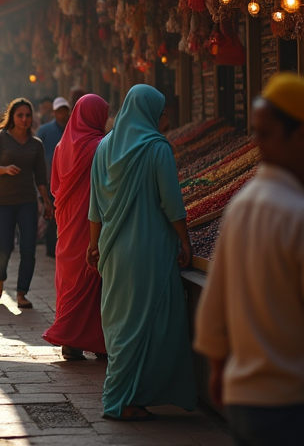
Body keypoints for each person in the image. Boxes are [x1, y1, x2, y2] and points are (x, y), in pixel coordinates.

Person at [194, 74, 304, 445]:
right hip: (289, 398)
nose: (257, 144)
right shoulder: (295, 212)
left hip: (243, 394)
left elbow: (213, 306)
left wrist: (217, 368)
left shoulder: (242, 205)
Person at [88, 84, 195, 421]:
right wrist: (186, 241)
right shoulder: (157, 148)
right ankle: (123, 399)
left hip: (113, 250)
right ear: (149, 113)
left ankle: (121, 394)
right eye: (162, 113)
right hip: (149, 250)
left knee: (121, 324)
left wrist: (94, 244)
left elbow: (94, 207)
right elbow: (172, 203)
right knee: (147, 324)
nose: (165, 119)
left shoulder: (104, 147)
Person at [42, 94, 109, 361]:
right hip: (92, 223)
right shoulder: (100, 146)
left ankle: (71, 342)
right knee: (93, 278)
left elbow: (55, 188)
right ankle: (97, 341)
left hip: (67, 224)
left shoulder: (60, 147)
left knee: (70, 281)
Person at [0, 98, 52, 309]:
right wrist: (4, 170)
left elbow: (40, 177)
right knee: (3, 247)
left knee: (28, 249)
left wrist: (47, 201)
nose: (24, 119)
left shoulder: (36, 144)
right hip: (2, 201)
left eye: (28, 115)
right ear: (12, 117)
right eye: (20, 115)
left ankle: (22, 292)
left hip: (27, 202)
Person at [36, 97, 71, 258]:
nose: (63, 114)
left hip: (69, 180)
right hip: (50, 180)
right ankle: (52, 249)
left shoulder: (73, 129)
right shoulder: (44, 130)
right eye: (59, 111)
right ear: (54, 113)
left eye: (65, 111)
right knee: (52, 215)